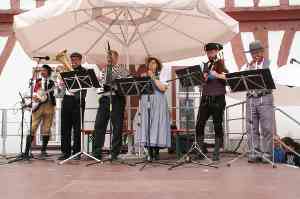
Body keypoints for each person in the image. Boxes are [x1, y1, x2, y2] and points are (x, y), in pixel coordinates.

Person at [93, 50, 130, 161]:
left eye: (111, 57)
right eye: (108, 57)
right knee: (99, 125)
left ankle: (115, 153)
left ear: (116, 58)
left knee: (117, 127)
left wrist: (117, 82)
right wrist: (100, 87)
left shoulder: (122, 69)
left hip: (116, 99)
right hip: (104, 99)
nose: (109, 59)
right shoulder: (103, 70)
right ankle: (97, 152)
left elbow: (127, 84)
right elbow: (98, 87)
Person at [242, 40, 275, 163]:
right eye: (253, 52)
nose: (256, 54)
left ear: (262, 51)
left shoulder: (270, 64)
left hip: (265, 97)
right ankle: (254, 153)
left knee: (267, 128)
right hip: (251, 98)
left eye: (258, 51)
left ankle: (267, 154)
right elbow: (241, 81)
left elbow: (273, 80)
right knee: (251, 128)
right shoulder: (246, 66)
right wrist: (248, 69)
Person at [195, 43, 228, 161]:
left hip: (218, 98)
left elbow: (228, 77)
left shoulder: (221, 63)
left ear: (217, 52)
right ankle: (200, 150)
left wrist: (217, 74)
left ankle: (216, 152)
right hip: (205, 98)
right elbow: (203, 80)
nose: (210, 54)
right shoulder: (206, 65)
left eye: (212, 52)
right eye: (208, 52)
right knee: (199, 124)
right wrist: (202, 79)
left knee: (217, 125)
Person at [136, 57, 171, 160]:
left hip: (159, 101)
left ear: (157, 65)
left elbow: (162, 88)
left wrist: (153, 77)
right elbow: (138, 90)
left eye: (154, 63)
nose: (152, 65)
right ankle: (149, 151)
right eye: (150, 63)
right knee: (147, 125)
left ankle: (156, 151)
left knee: (158, 124)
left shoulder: (163, 74)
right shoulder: (144, 75)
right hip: (146, 101)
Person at [58, 52, 87, 160]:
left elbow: (84, 86)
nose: (73, 62)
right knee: (65, 127)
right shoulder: (66, 70)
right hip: (66, 100)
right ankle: (65, 152)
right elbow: (61, 87)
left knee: (77, 128)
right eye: (72, 60)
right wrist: (61, 83)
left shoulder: (84, 72)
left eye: (75, 60)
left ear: (80, 60)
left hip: (78, 101)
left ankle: (77, 152)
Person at [24, 64, 56, 159]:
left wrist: (57, 89)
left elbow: (57, 93)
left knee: (47, 128)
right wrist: (35, 98)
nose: (42, 72)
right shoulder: (36, 82)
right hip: (38, 106)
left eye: (44, 70)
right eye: (41, 70)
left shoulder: (52, 82)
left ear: (48, 72)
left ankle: (43, 150)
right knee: (33, 127)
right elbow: (33, 93)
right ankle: (27, 151)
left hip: (49, 106)